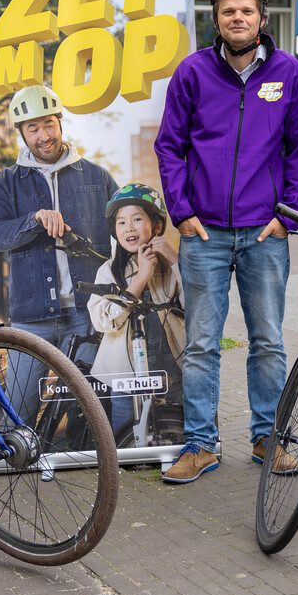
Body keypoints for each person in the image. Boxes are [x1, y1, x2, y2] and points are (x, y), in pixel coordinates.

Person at [154, 0, 298, 484]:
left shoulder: (288, 73)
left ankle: (268, 439)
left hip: (266, 234)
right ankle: (200, 444)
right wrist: (182, 212)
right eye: (227, 10)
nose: (237, 17)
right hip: (206, 236)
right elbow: (170, 147)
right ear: (215, 18)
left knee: (267, 339)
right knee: (201, 343)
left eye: (246, 9)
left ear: (262, 16)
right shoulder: (192, 73)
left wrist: (287, 215)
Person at [0, 84, 117, 424]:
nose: (44, 136)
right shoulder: (6, 182)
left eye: (49, 125)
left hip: (86, 316)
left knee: (87, 412)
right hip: (32, 315)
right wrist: (34, 220)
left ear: (60, 122)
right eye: (34, 128)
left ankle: (80, 471)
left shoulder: (96, 177)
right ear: (22, 133)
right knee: (19, 413)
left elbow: (127, 232)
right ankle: (24, 462)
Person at [87, 184, 185, 441]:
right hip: (125, 373)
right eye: (121, 222)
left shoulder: (171, 265)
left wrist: (175, 261)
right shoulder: (109, 270)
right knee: (124, 433)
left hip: (171, 364)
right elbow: (101, 320)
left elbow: (195, 305)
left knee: (177, 425)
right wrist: (140, 278)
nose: (128, 228)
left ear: (156, 226)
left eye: (137, 219)